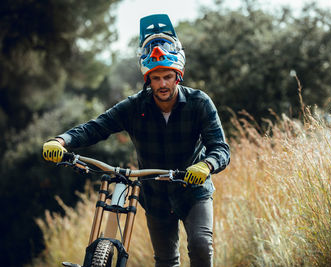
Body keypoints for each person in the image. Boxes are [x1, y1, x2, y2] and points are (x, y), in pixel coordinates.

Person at [42, 14, 230, 267]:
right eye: (156, 78)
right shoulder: (134, 107)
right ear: (147, 79)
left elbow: (220, 148)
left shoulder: (199, 103)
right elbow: (95, 128)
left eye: (168, 76)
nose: (162, 84)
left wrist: (205, 165)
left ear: (178, 76)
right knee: (165, 260)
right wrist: (61, 141)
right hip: (154, 194)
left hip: (192, 190)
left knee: (201, 246)